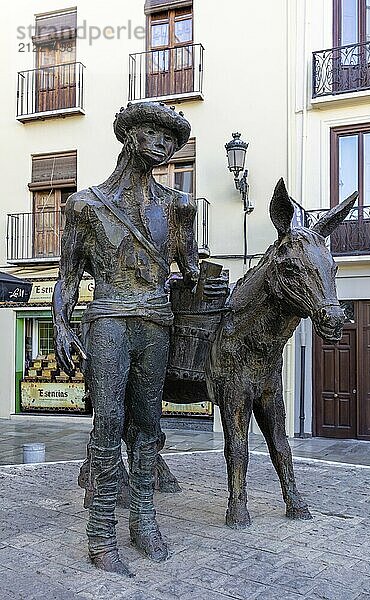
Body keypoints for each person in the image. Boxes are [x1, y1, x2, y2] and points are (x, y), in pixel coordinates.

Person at [52, 102, 199, 576]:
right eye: (153, 133)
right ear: (129, 135)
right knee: (108, 421)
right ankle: (100, 534)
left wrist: (198, 278)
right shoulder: (85, 205)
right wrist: (60, 323)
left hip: (156, 321)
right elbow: (68, 277)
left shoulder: (179, 207)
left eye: (171, 140)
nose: (162, 145)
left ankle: (143, 520)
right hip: (110, 319)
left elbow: (190, 269)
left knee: (148, 423)